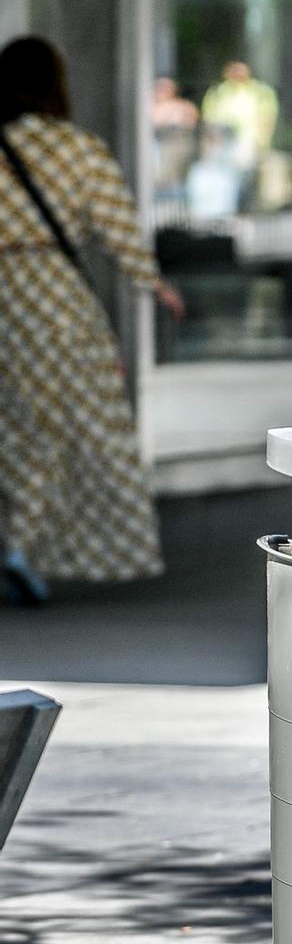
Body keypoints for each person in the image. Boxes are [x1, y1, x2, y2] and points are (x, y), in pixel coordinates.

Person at [0, 36, 185, 605]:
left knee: (13, 426)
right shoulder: (76, 148)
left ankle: (17, 542)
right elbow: (116, 223)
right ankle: (23, 547)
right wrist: (151, 282)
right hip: (52, 299)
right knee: (60, 424)